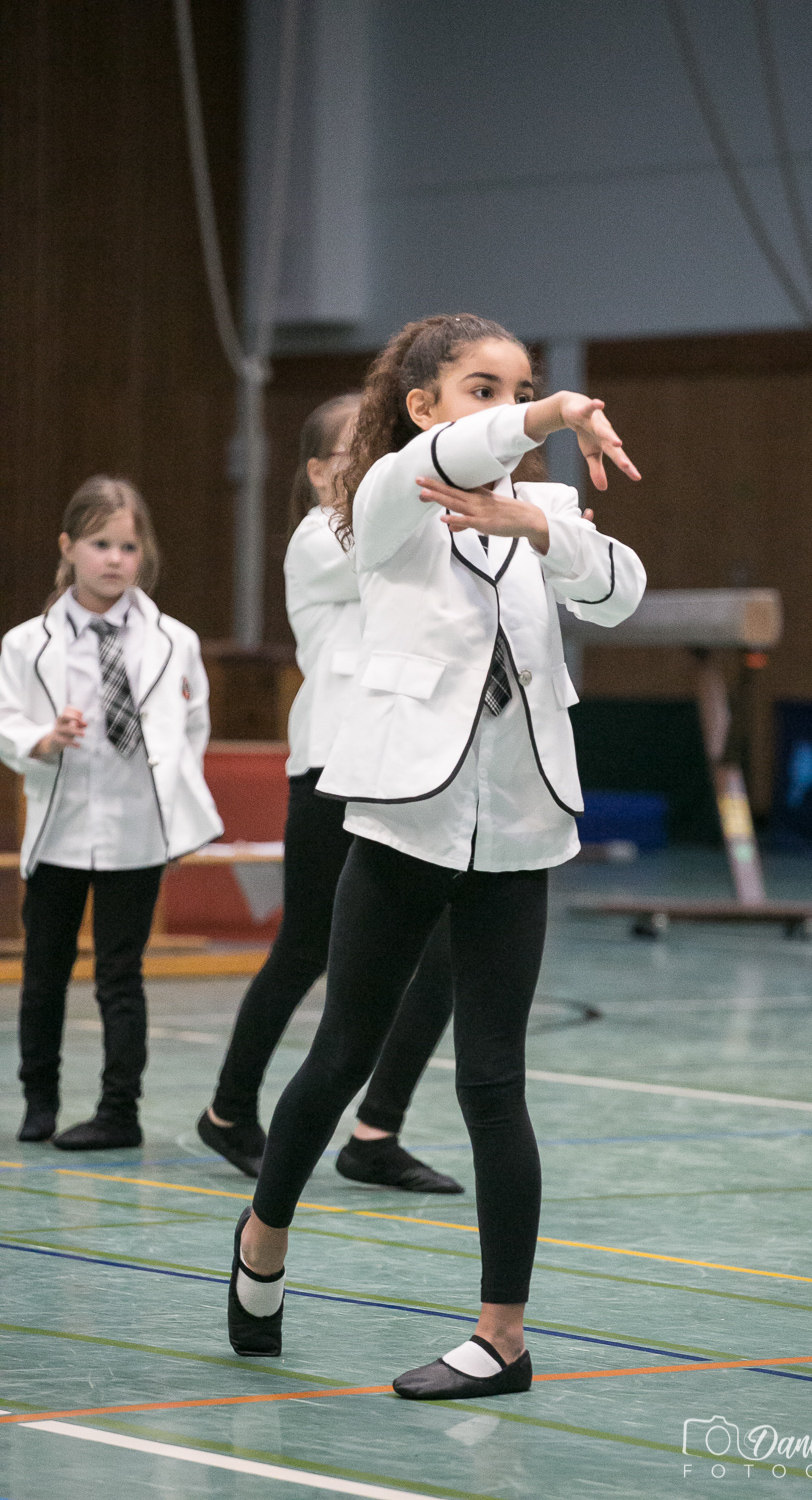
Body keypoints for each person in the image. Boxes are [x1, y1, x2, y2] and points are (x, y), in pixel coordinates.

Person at [226, 313, 645, 1401]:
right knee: (341, 1053)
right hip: (408, 814)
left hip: (519, 821)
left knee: (493, 1081)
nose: (509, 407)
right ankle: (263, 1234)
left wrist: (541, 526)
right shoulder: (385, 497)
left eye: (523, 389)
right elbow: (458, 458)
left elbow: (619, 590)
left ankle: (502, 1339)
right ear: (423, 407)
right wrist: (551, 416)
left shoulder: (544, 506)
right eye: (482, 388)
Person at [197, 394, 462, 1193]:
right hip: (329, 772)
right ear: (317, 473)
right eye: (359, 449)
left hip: (400, 769)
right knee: (306, 949)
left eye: (388, 445)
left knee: (442, 951)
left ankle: (376, 1132)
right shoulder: (323, 536)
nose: (380, 461)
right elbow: (404, 545)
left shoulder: (407, 529)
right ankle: (228, 1112)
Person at [0, 476, 223, 1150]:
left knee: (121, 977)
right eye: (100, 544)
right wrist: (42, 740)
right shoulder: (27, 643)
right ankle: (40, 1100)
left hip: (137, 830)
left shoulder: (173, 640)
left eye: (127, 546)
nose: (115, 559)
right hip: (60, 828)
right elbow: (7, 718)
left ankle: (118, 1110)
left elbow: (193, 725)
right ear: (68, 546)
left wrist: (177, 799)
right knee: (45, 973)